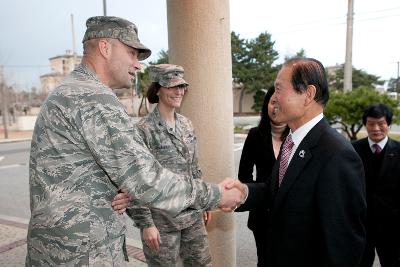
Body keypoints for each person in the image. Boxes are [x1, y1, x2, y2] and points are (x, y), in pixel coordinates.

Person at [26, 16, 244, 266]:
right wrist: (217, 195)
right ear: (105, 48)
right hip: (80, 253)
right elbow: (145, 178)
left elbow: (82, 172)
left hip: (64, 248)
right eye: (131, 53)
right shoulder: (93, 98)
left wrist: (118, 191)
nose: (137, 65)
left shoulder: (73, 90)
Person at [228, 57, 367, 266]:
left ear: (308, 94)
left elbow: (342, 246)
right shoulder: (292, 140)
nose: (273, 98)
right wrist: (243, 193)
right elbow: (277, 192)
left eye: (279, 89)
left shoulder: (336, 154)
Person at [126, 64, 212, 266]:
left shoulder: (186, 124)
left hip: (192, 215)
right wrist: (146, 224)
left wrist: (203, 200)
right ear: (157, 89)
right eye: (172, 86)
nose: (179, 91)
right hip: (161, 222)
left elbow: (194, 168)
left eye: (181, 86)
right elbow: (135, 181)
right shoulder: (143, 131)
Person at [238, 86, 289, 266]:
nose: (276, 107)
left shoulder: (297, 136)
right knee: (265, 260)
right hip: (262, 214)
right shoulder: (255, 135)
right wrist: (257, 198)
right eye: (272, 102)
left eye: (280, 103)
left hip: (291, 214)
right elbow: (244, 175)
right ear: (266, 105)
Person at [353, 103, 400, 267]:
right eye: (371, 124)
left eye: (381, 123)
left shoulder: (399, 150)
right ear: (365, 124)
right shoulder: (352, 150)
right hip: (361, 223)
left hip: (391, 225)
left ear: (388, 124)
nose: (376, 128)